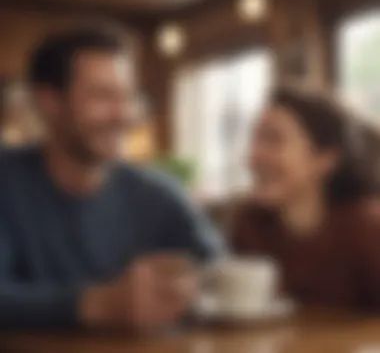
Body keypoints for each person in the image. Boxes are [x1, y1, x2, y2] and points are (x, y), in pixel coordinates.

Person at [0, 23, 223, 329]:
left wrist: (188, 287)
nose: (125, 115)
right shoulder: (8, 183)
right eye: (103, 96)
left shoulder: (159, 194)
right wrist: (95, 304)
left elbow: (223, 274)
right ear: (49, 102)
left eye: (128, 96)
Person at [230, 87, 380, 311]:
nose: (254, 156)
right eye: (256, 140)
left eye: (274, 140)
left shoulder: (368, 228)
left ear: (325, 159)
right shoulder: (251, 227)